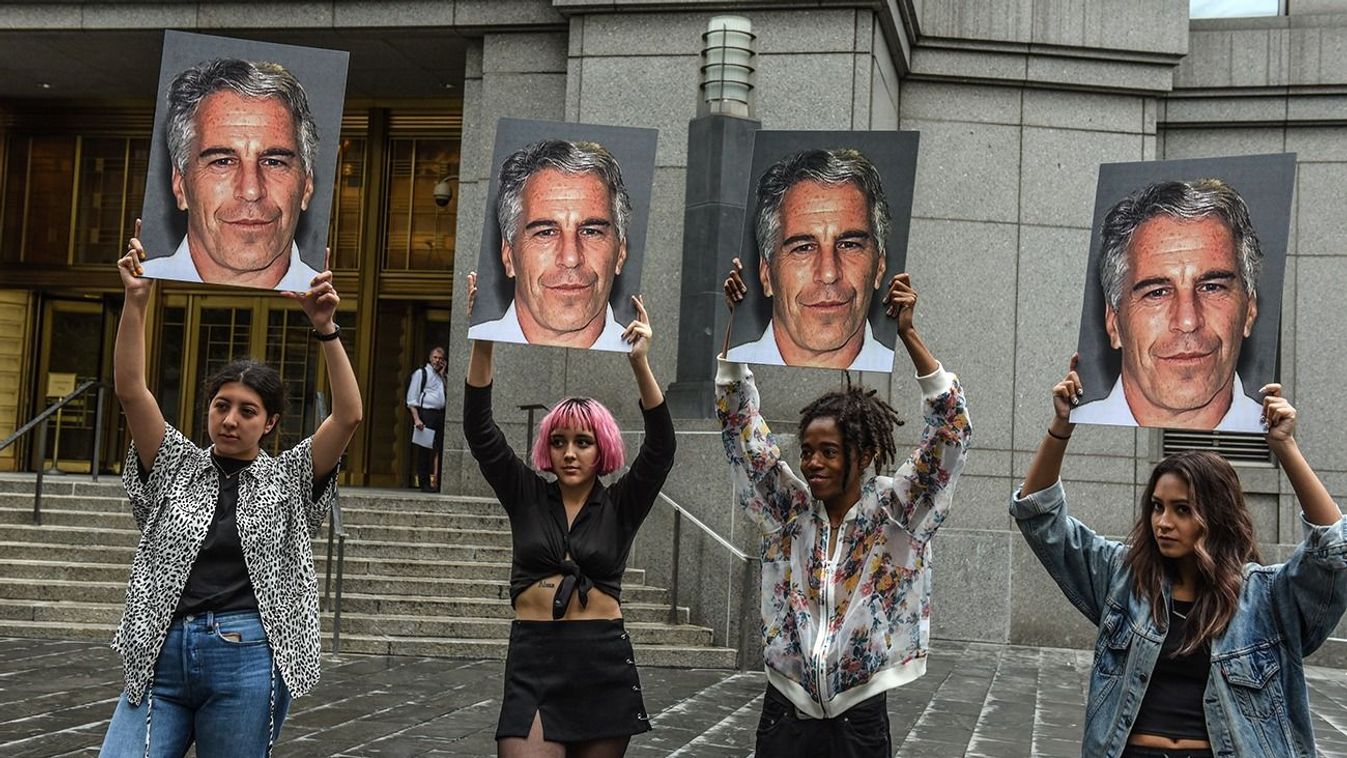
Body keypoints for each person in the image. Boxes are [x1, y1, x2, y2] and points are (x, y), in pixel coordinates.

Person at [100, 220, 361, 756]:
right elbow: (131, 392)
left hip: (246, 655)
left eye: (248, 411)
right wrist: (136, 302)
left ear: (269, 423)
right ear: (208, 411)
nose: (231, 420)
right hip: (160, 651)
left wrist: (326, 330)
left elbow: (349, 416)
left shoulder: (287, 477)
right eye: (222, 406)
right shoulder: (175, 463)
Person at [1012, 355, 1347, 757]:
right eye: (1157, 506)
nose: (1163, 522)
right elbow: (1040, 516)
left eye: (1182, 509)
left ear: (1216, 515)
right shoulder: (1124, 579)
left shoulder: (1264, 599)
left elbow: (1332, 550)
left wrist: (1285, 447)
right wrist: (1061, 427)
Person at [718, 258, 972, 756]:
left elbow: (952, 431)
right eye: (807, 451)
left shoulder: (895, 513)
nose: (812, 462)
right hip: (785, 711)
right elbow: (741, 430)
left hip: (859, 716)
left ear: (864, 455)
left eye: (828, 452)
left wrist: (909, 334)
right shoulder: (789, 511)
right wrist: (740, 327)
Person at [463, 269, 675, 757]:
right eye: (559, 442)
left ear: (602, 450)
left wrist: (640, 362)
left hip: (600, 661)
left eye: (583, 442)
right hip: (533, 659)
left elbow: (662, 449)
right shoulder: (526, 495)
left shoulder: (620, 504)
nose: (570, 453)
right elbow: (479, 430)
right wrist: (485, 337)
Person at [1073, 179, 1265, 430]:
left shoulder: (1289, 440)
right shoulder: (1065, 435)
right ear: (1114, 323)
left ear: (1249, 310)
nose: (1187, 321)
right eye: (1157, 293)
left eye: (1211, 287)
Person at [140, 58, 322, 291]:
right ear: (180, 185)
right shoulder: (135, 289)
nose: (251, 190)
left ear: (307, 185)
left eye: (273, 162)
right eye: (223, 162)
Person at [726, 148, 894, 371]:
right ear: (766, 275)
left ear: (879, 266)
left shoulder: (913, 373)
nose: (828, 273)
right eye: (803, 248)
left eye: (849, 245)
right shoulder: (721, 370)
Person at [467, 139, 632, 350]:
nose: (571, 258)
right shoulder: (474, 349)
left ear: (620, 253)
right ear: (509, 256)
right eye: (546, 233)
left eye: (591, 232)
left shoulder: (646, 361)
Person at [406, 345, 447, 492]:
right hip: (426, 414)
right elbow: (412, 398)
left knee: (440, 448)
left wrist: (443, 375)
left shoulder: (441, 376)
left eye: (441, 358)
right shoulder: (421, 373)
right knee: (425, 450)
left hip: (440, 414)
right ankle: (424, 483)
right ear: (430, 358)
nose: (437, 361)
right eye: (435, 357)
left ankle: (438, 483)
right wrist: (417, 419)